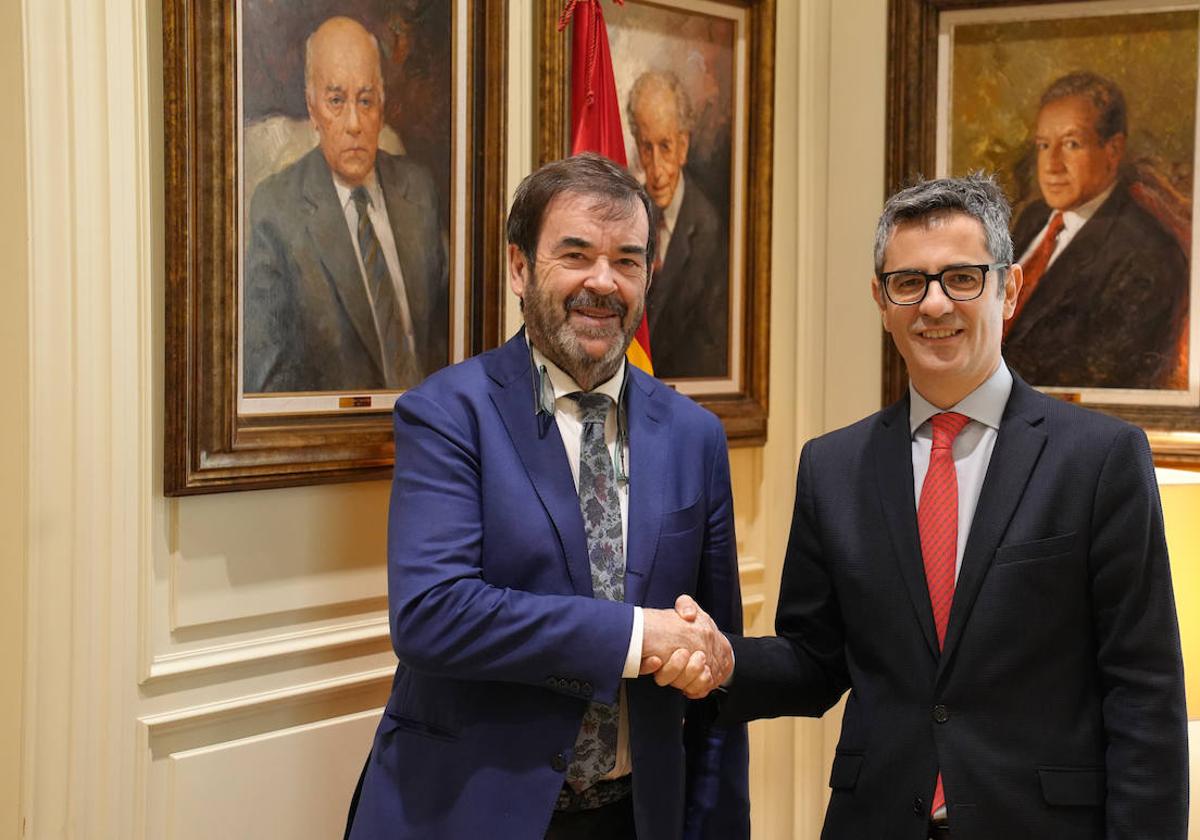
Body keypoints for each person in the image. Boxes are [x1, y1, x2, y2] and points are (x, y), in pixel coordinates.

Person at [694, 175, 1187, 838]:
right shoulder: (833, 468)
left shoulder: (1100, 461)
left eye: (961, 278)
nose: (933, 305)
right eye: (909, 282)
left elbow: (1143, 694)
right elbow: (815, 660)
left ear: (1008, 290)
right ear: (881, 298)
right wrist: (726, 661)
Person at [343, 153, 749, 839]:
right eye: (576, 254)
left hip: (635, 819)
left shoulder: (694, 437)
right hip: (466, 814)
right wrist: (633, 635)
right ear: (520, 268)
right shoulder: (446, 414)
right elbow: (432, 614)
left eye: (627, 259)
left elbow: (712, 664)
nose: (603, 281)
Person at [243, 16, 447, 394]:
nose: (354, 123)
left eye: (365, 100)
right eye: (336, 100)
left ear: (382, 104)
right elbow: (265, 387)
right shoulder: (276, 210)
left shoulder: (419, 191)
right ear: (312, 107)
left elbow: (449, 343)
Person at [1003, 71, 1188, 390]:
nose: (1051, 165)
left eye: (1071, 144)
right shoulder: (1033, 218)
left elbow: (1096, 380)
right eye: (1044, 145)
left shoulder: (1149, 256)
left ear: (1113, 150)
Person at [626, 71, 729, 379]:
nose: (656, 169)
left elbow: (709, 349)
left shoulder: (709, 229)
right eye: (647, 148)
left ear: (683, 147)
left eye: (666, 147)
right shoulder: (630, 215)